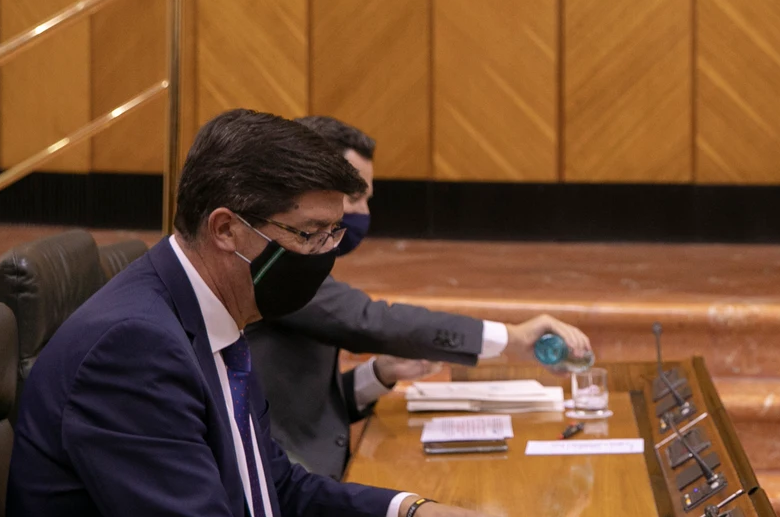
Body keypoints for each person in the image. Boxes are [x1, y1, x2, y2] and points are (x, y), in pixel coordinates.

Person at [1, 109, 554, 517]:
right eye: (309, 234)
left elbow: (274, 487)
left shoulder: (210, 314)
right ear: (225, 229)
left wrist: (410, 515)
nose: (324, 255)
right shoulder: (133, 347)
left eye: (333, 234)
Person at [246, 115, 593, 481]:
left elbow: (305, 410)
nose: (362, 213)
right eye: (354, 197)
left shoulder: (307, 267)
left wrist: (380, 374)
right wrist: (511, 338)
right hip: (286, 498)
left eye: (367, 197)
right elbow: (370, 320)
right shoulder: (274, 267)